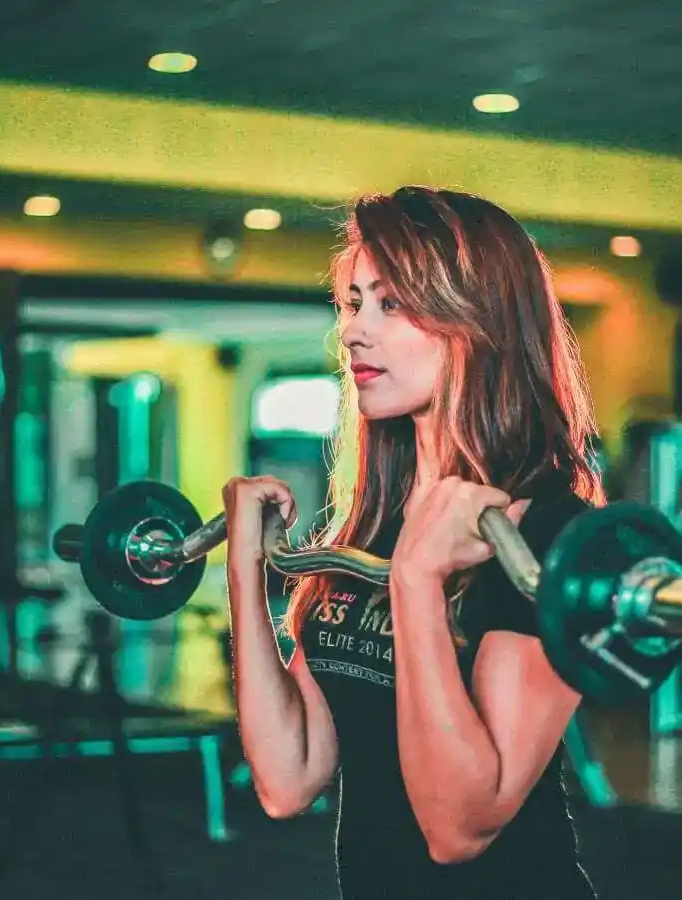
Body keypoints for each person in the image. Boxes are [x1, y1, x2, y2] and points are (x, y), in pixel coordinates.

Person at [222, 186, 605, 899]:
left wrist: (417, 585)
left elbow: (460, 828)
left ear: (476, 318)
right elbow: (288, 777)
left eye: (391, 303)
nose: (354, 331)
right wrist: (245, 570)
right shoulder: (377, 525)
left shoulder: (548, 534)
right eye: (352, 303)